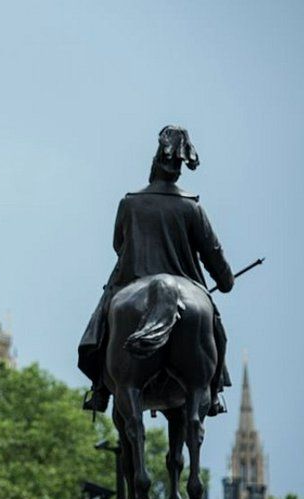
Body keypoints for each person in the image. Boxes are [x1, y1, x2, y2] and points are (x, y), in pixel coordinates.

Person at [78, 126, 233, 416]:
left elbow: (118, 245)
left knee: (100, 326)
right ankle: (214, 391)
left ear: (155, 162)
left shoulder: (130, 203)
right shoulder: (192, 208)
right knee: (216, 331)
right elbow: (217, 264)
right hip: (188, 286)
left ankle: (99, 389)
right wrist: (225, 280)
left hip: (131, 281)